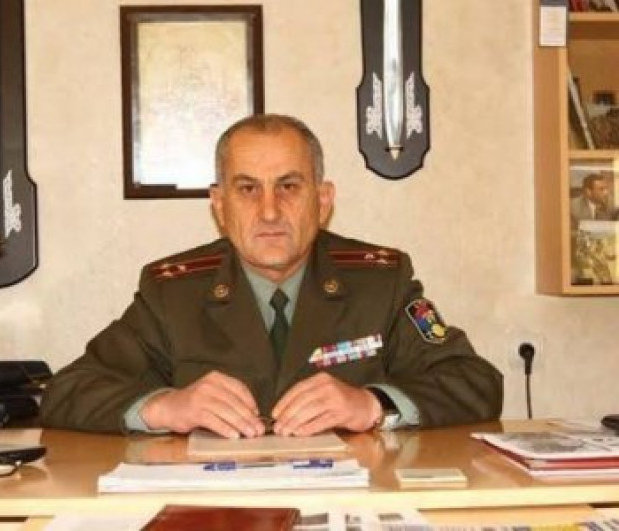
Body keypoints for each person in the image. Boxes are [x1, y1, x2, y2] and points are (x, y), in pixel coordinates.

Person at [39, 114, 503, 437]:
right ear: (219, 205)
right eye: (247, 189)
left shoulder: (381, 282)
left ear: (323, 200)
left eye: (289, 186)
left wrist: (372, 405)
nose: (269, 211)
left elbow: (475, 381)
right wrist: (165, 408)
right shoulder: (173, 292)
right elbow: (67, 391)